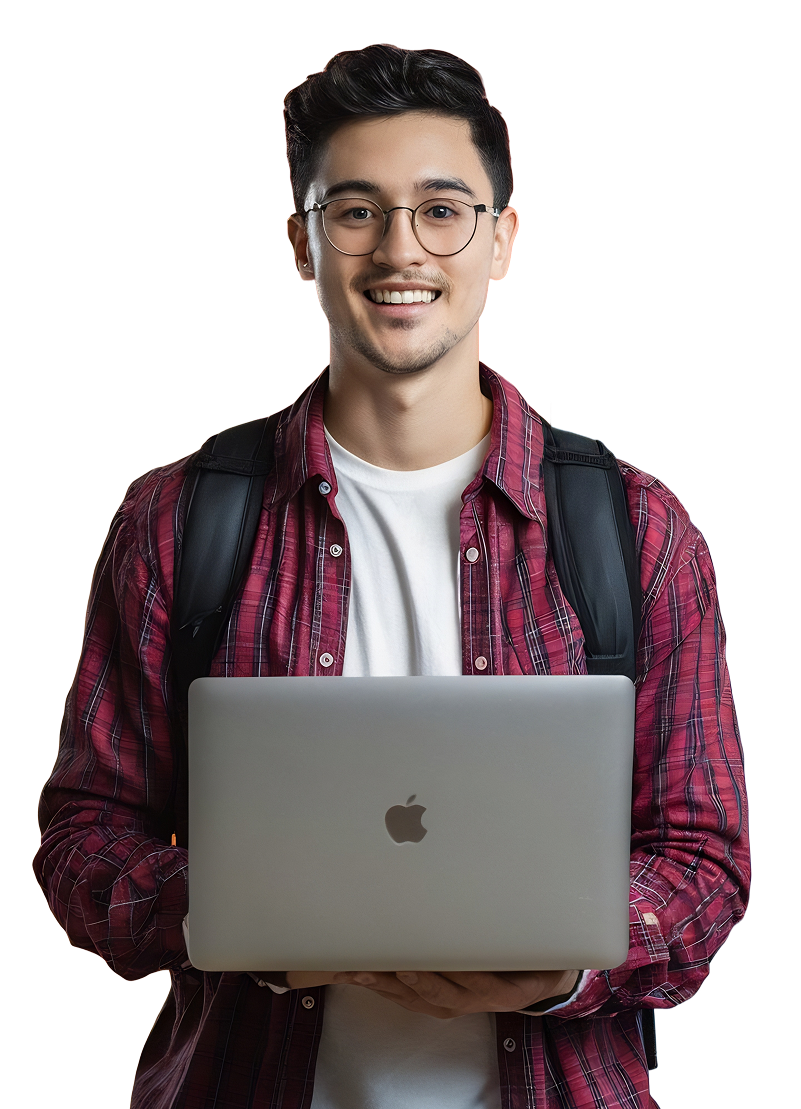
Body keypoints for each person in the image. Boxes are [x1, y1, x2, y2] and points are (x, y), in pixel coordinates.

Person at [33, 44, 750, 1109]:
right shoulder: (176, 519)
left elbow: (706, 857)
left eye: (443, 209)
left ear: (502, 240)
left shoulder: (636, 528)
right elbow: (81, 840)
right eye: (355, 210)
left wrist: (570, 964)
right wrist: (245, 913)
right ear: (302, 245)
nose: (400, 248)